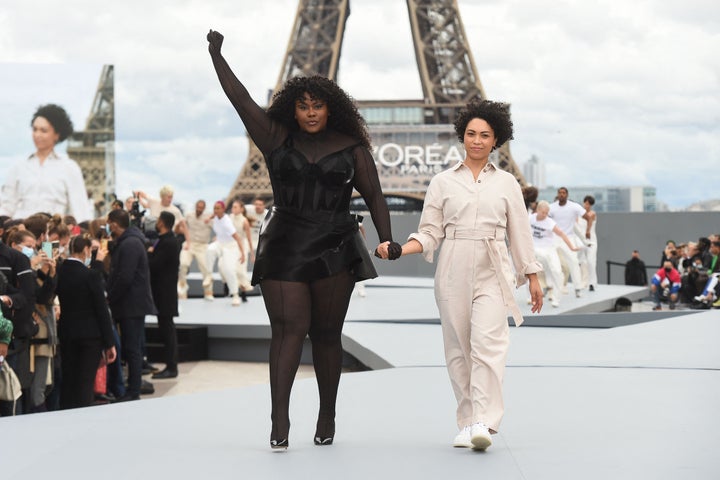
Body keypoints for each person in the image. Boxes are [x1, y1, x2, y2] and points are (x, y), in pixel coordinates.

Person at [208, 29, 401, 449]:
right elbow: (240, 98)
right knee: (288, 330)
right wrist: (216, 55)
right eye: (303, 105)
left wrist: (387, 239)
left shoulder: (352, 147)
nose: (311, 113)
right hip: (285, 245)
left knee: (328, 335)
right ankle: (280, 419)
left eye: (318, 106)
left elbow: (375, 196)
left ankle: (327, 413)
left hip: (335, 245)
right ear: (291, 110)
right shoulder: (275, 137)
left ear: (331, 110)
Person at [381, 98, 543, 451]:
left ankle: (485, 421)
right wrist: (399, 248)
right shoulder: (442, 182)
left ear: (496, 139)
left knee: (488, 345)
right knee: (458, 350)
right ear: (462, 136)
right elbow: (429, 233)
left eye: (485, 135)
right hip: (452, 264)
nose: (477, 140)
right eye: (471, 133)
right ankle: (467, 421)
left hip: (492, 266)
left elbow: (519, 233)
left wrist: (531, 274)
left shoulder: (508, 184)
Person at [0, 104, 92, 222]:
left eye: (43, 130)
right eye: (35, 129)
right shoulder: (19, 167)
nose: (37, 135)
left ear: (57, 135)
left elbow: (80, 211)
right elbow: (7, 206)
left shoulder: (70, 167)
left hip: (53, 235)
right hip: (21, 234)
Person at [56, 235, 117, 409]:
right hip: (90, 335)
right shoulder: (90, 275)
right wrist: (109, 342)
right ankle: (82, 414)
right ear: (85, 250)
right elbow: (101, 310)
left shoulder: (60, 271)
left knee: (69, 377)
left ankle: (65, 412)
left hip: (67, 332)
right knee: (85, 379)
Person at [106, 209, 157, 401]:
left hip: (131, 305)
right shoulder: (133, 242)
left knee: (132, 348)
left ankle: (133, 390)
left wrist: (111, 296)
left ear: (114, 224)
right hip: (132, 304)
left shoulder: (129, 244)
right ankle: (133, 388)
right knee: (132, 347)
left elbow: (125, 277)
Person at [148, 211, 181, 379]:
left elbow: (155, 265)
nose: (156, 222)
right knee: (167, 329)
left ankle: (171, 366)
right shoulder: (168, 240)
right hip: (165, 293)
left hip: (164, 293)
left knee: (167, 330)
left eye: (159, 219)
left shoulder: (168, 242)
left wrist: (148, 253)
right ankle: (171, 365)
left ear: (163, 222)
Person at [529, 201, 579, 307]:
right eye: (543, 212)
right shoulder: (531, 218)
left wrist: (571, 247)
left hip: (548, 249)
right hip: (534, 248)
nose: (545, 215)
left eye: (547, 213)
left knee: (557, 271)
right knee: (529, 270)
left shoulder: (550, 222)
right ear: (537, 210)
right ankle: (532, 296)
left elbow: (561, 234)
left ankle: (556, 298)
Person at [549, 187, 590, 296]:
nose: (561, 195)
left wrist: (588, 231)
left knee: (574, 262)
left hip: (569, 238)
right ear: (557, 195)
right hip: (555, 239)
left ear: (567, 195)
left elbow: (588, 217)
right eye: (559, 193)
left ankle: (578, 289)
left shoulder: (574, 207)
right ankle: (551, 289)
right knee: (551, 264)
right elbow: (545, 222)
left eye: (563, 193)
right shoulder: (551, 207)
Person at [206, 201, 246, 306]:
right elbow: (213, 216)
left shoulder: (227, 222)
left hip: (230, 246)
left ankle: (235, 295)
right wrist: (209, 218)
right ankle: (209, 276)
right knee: (210, 249)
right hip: (220, 243)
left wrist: (242, 253)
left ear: (223, 209)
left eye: (218, 208)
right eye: (215, 208)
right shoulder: (216, 216)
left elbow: (237, 238)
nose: (216, 210)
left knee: (228, 270)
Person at [178, 199, 214, 300]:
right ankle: (182, 290)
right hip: (190, 244)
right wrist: (187, 238)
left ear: (204, 208)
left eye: (201, 208)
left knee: (206, 269)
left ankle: (208, 292)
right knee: (183, 264)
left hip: (202, 246)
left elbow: (218, 227)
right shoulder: (189, 215)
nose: (199, 209)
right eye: (198, 207)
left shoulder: (209, 217)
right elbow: (182, 226)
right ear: (195, 206)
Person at [230, 200, 253, 302]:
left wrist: (252, 254)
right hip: (230, 245)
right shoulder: (229, 218)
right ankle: (234, 291)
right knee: (231, 268)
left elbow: (249, 238)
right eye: (233, 207)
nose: (233, 209)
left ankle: (243, 292)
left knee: (240, 270)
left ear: (241, 209)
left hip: (242, 247)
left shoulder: (245, 221)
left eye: (235, 207)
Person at [577, 195, 598, 291]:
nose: (587, 206)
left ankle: (592, 283)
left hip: (591, 240)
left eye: (589, 204)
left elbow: (589, 220)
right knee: (581, 261)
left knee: (591, 261)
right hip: (581, 240)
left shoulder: (592, 213)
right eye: (586, 203)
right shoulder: (579, 213)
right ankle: (583, 281)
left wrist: (588, 231)